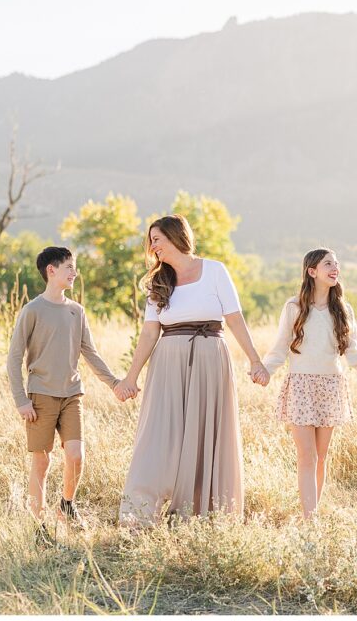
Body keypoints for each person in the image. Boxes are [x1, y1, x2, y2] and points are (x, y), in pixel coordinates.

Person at [116, 214, 270, 526]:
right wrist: (130, 377)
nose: (152, 246)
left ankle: (201, 515)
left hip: (210, 359)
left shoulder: (214, 271)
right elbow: (149, 333)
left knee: (205, 434)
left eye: (157, 238)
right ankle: (141, 512)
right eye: (151, 240)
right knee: (158, 433)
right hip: (168, 364)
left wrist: (255, 360)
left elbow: (235, 319)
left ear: (175, 237)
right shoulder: (157, 282)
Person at [6, 246, 122, 540]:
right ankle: (38, 527)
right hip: (40, 397)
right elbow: (14, 358)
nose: (74, 272)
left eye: (75, 266)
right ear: (51, 271)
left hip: (72, 394)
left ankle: (67, 505)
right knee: (41, 463)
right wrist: (21, 401)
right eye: (69, 267)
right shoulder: (32, 311)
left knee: (76, 454)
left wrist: (114, 383)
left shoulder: (76, 311)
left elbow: (90, 353)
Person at [262, 248, 357, 519]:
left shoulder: (343, 310)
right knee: (307, 456)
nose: (335, 267)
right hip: (301, 386)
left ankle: (313, 514)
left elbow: (354, 353)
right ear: (312, 271)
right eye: (328, 263)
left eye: (336, 263)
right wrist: (265, 370)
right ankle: (309, 519)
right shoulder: (294, 308)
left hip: (331, 386)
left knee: (321, 457)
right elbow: (279, 348)